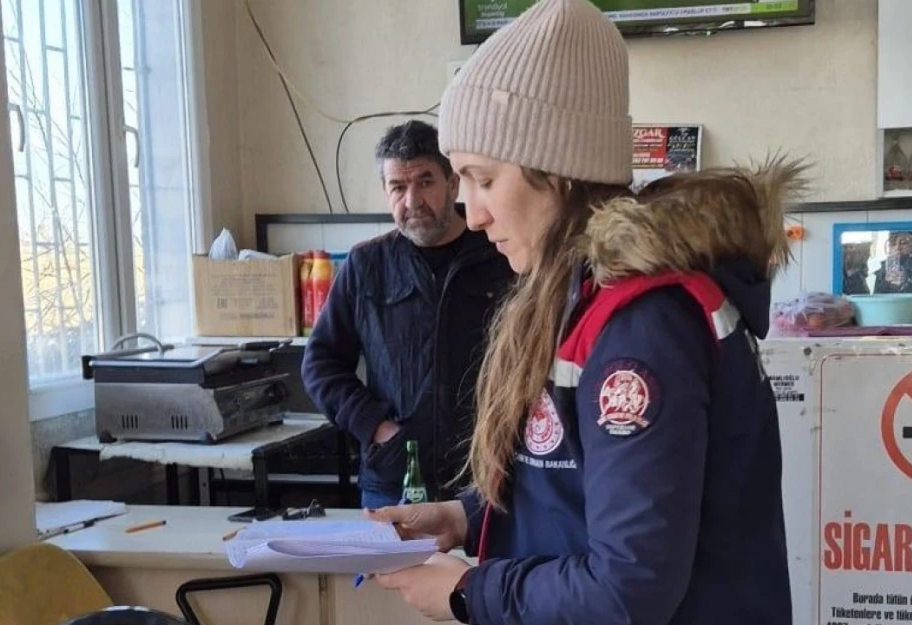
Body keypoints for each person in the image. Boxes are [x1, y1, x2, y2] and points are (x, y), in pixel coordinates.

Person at [368, 1, 800, 623]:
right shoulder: (578, 298)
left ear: (562, 172)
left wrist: (469, 593)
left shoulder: (640, 327)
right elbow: (573, 486)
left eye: (482, 178)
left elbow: (629, 588)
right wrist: (466, 514)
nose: (471, 209)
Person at [302, 120, 513, 510]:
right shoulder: (367, 266)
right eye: (398, 187)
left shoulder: (501, 254)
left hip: (488, 477)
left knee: (480, 574)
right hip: (396, 479)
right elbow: (320, 363)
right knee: (397, 574)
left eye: (425, 182)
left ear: (453, 183)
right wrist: (376, 428)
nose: (412, 200)